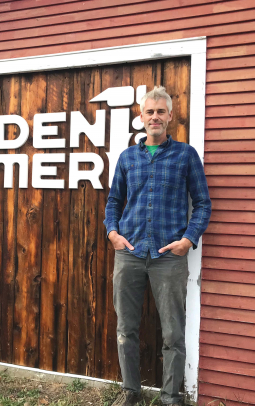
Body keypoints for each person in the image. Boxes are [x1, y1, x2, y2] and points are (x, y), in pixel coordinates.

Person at [104, 86, 211, 406]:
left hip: (169, 257)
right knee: (126, 328)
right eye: (149, 111)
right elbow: (114, 201)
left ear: (170, 116)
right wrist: (112, 233)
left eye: (161, 111)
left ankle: (170, 396)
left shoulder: (186, 155)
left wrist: (189, 239)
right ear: (141, 117)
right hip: (130, 253)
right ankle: (131, 392)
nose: (155, 117)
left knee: (173, 333)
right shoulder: (127, 158)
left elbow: (203, 203)